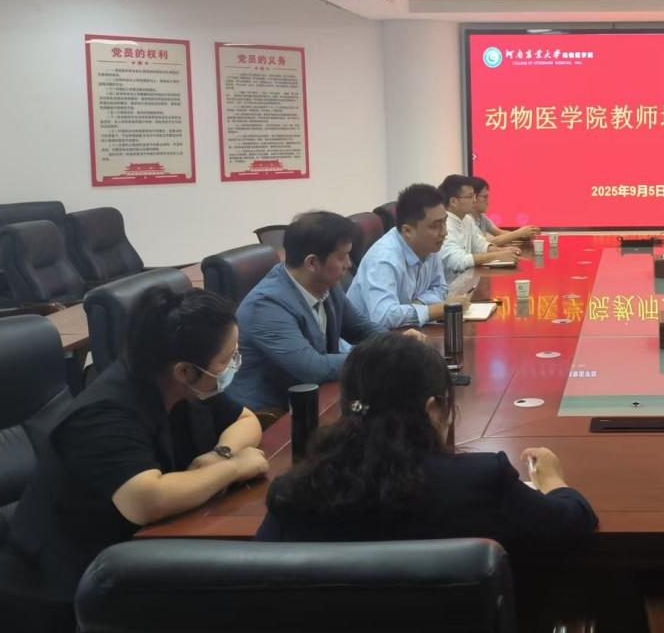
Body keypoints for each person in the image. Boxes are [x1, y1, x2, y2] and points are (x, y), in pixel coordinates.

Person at [6, 287, 268, 633]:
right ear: (184, 371)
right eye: (227, 358)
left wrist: (220, 455)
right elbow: (145, 499)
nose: (234, 364)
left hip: (147, 551)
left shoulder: (184, 383)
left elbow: (247, 420)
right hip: (75, 591)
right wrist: (230, 470)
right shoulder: (104, 413)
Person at [257, 332, 598, 550]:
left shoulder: (295, 491)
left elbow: (256, 575)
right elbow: (573, 523)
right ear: (432, 409)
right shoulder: (480, 480)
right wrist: (553, 481)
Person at [230, 211, 422, 412]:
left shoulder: (325, 285)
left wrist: (397, 343)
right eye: (342, 257)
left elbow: (360, 329)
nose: (349, 264)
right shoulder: (266, 306)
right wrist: (380, 353)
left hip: (317, 398)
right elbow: (313, 368)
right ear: (312, 263)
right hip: (270, 416)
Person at [347, 182, 469, 328]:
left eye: (444, 223)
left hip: (405, 332)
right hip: (368, 339)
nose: (444, 232)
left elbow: (440, 288)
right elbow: (383, 316)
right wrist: (440, 309)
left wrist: (416, 305)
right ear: (408, 231)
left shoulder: (430, 246)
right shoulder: (384, 259)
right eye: (435, 226)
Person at [439, 174, 518, 277]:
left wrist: (503, 251)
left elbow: (480, 245)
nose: (474, 200)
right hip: (451, 285)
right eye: (470, 196)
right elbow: (458, 261)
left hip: (467, 281)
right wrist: (497, 255)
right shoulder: (443, 224)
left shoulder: (467, 219)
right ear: (453, 201)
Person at [472, 176, 540, 246]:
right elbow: (483, 244)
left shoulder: (481, 216)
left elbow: (499, 233)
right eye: (485, 197)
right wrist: (519, 233)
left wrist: (524, 235)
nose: (488, 202)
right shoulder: (468, 219)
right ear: (473, 197)